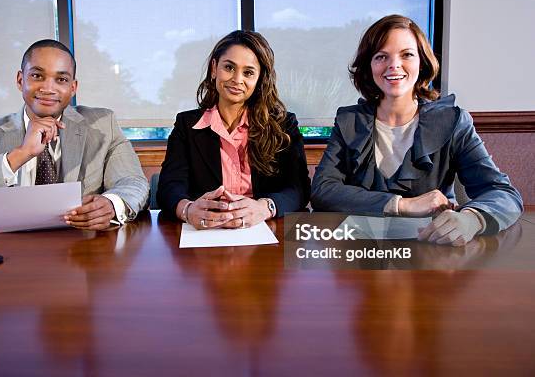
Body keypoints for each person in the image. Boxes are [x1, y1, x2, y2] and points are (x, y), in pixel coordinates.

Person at [311, 15, 523, 245]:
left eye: (407, 55)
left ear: (421, 62)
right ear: (369, 66)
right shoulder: (348, 120)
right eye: (381, 56)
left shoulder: (453, 120)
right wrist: (402, 204)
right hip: (360, 253)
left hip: (435, 251)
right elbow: (323, 191)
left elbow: (504, 194)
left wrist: (472, 219)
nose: (394, 65)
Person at [0, 39, 149, 229]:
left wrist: (112, 204)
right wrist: (19, 155)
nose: (48, 88)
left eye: (61, 79)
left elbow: (133, 183)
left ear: (73, 87)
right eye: (38, 76)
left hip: (82, 252)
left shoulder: (103, 125)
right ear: (21, 80)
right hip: (7, 257)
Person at [157, 30, 310, 230]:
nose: (237, 79)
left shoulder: (283, 124)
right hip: (205, 234)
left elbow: (299, 188)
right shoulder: (186, 125)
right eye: (229, 67)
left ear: (259, 78)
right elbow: (169, 187)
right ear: (214, 68)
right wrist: (188, 210)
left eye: (248, 72)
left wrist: (265, 208)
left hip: (265, 230)